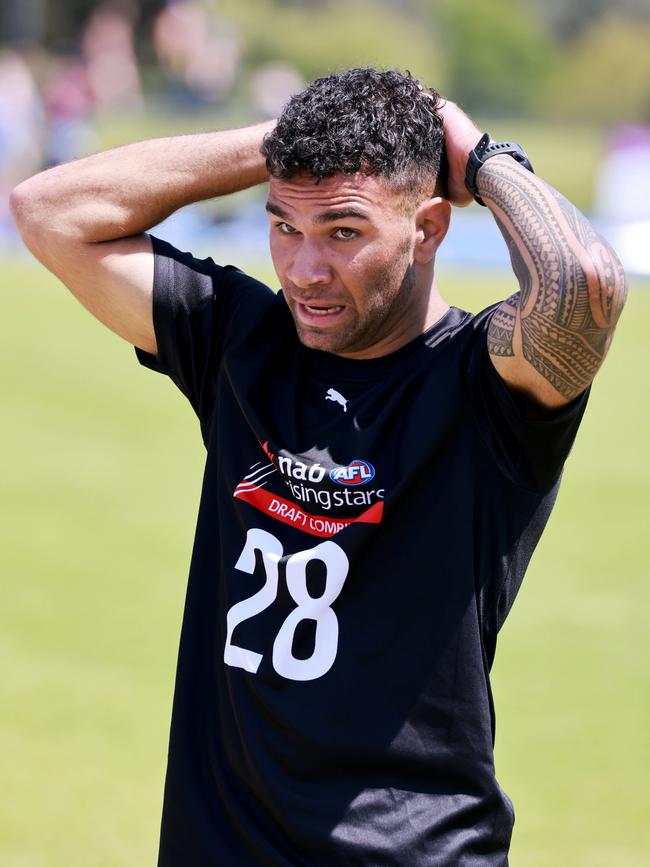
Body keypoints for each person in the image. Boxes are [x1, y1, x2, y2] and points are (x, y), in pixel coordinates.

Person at [11, 68, 626, 866]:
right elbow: (48, 212)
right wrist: (282, 140)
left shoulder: (484, 386)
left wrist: (476, 154)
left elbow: (584, 280)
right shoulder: (243, 340)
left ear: (429, 228)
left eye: (343, 232)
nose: (302, 271)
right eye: (282, 226)